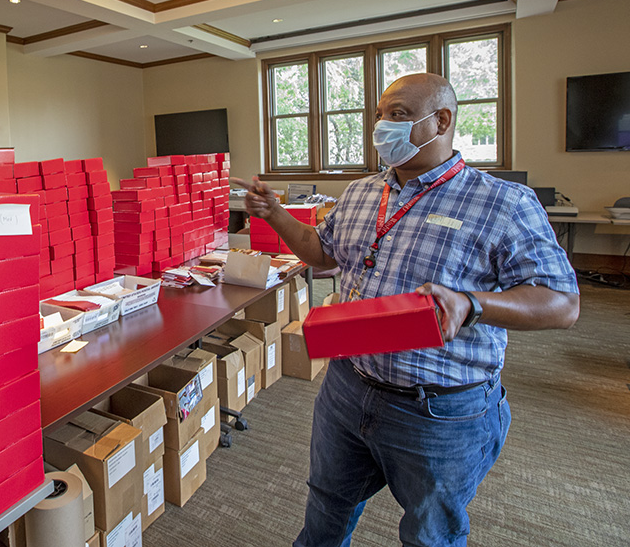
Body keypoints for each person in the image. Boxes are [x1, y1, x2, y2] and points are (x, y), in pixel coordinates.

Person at [233, 73, 579, 547]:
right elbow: (322, 254)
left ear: (441, 121)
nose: (381, 128)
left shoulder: (503, 202)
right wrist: (274, 214)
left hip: (438, 408)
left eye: (397, 115)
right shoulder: (359, 193)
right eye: (378, 116)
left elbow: (562, 303)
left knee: (428, 533)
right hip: (347, 386)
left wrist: (472, 304)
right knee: (326, 507)